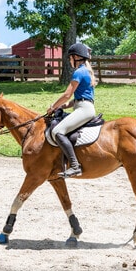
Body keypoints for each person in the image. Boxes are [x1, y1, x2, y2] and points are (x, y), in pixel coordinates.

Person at [46, 42, 97, 178]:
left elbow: (67, 94)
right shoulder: (86, 71)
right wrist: (62, 106)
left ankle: (75, 166)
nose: (69, 61)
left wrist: (53, 107)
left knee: (57, 131)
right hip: (84, 107)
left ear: (76, 57)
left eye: (70, 58)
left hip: (84, 109)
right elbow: (77, 99)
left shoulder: (79, 72)